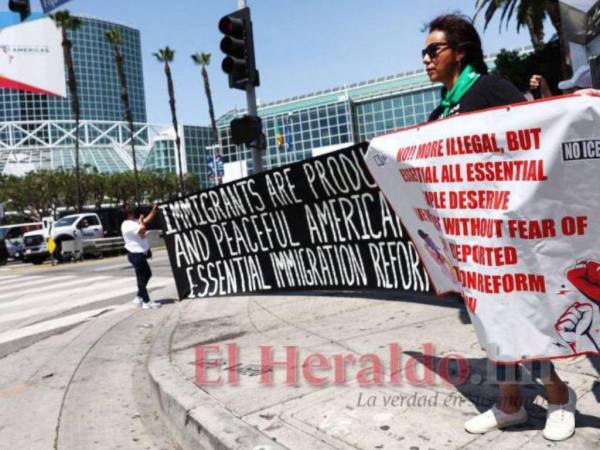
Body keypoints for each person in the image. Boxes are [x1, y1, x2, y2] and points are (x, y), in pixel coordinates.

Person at [422, 14, 576, 441]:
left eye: (434, 50)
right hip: (468, 241)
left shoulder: (489, 89)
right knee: (489, 321)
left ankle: (559, 394)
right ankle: (510, 402)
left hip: (506, 235)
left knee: (520, 317)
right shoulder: (441, 110)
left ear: (460, 51)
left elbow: (534, 138)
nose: (426, 60)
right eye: (424, 53)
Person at [121, 203, 162, 309]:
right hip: (135, 254)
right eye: (130, 211)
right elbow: (142, 229)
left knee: (147, 274)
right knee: (141, 278)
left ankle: (139, 297)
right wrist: (140, 221)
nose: (133, 212)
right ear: (127, 214)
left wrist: (153, 211)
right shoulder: (126, 225)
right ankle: (146, 302)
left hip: (140, 253)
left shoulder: (134, 222)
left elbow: (145, 221)